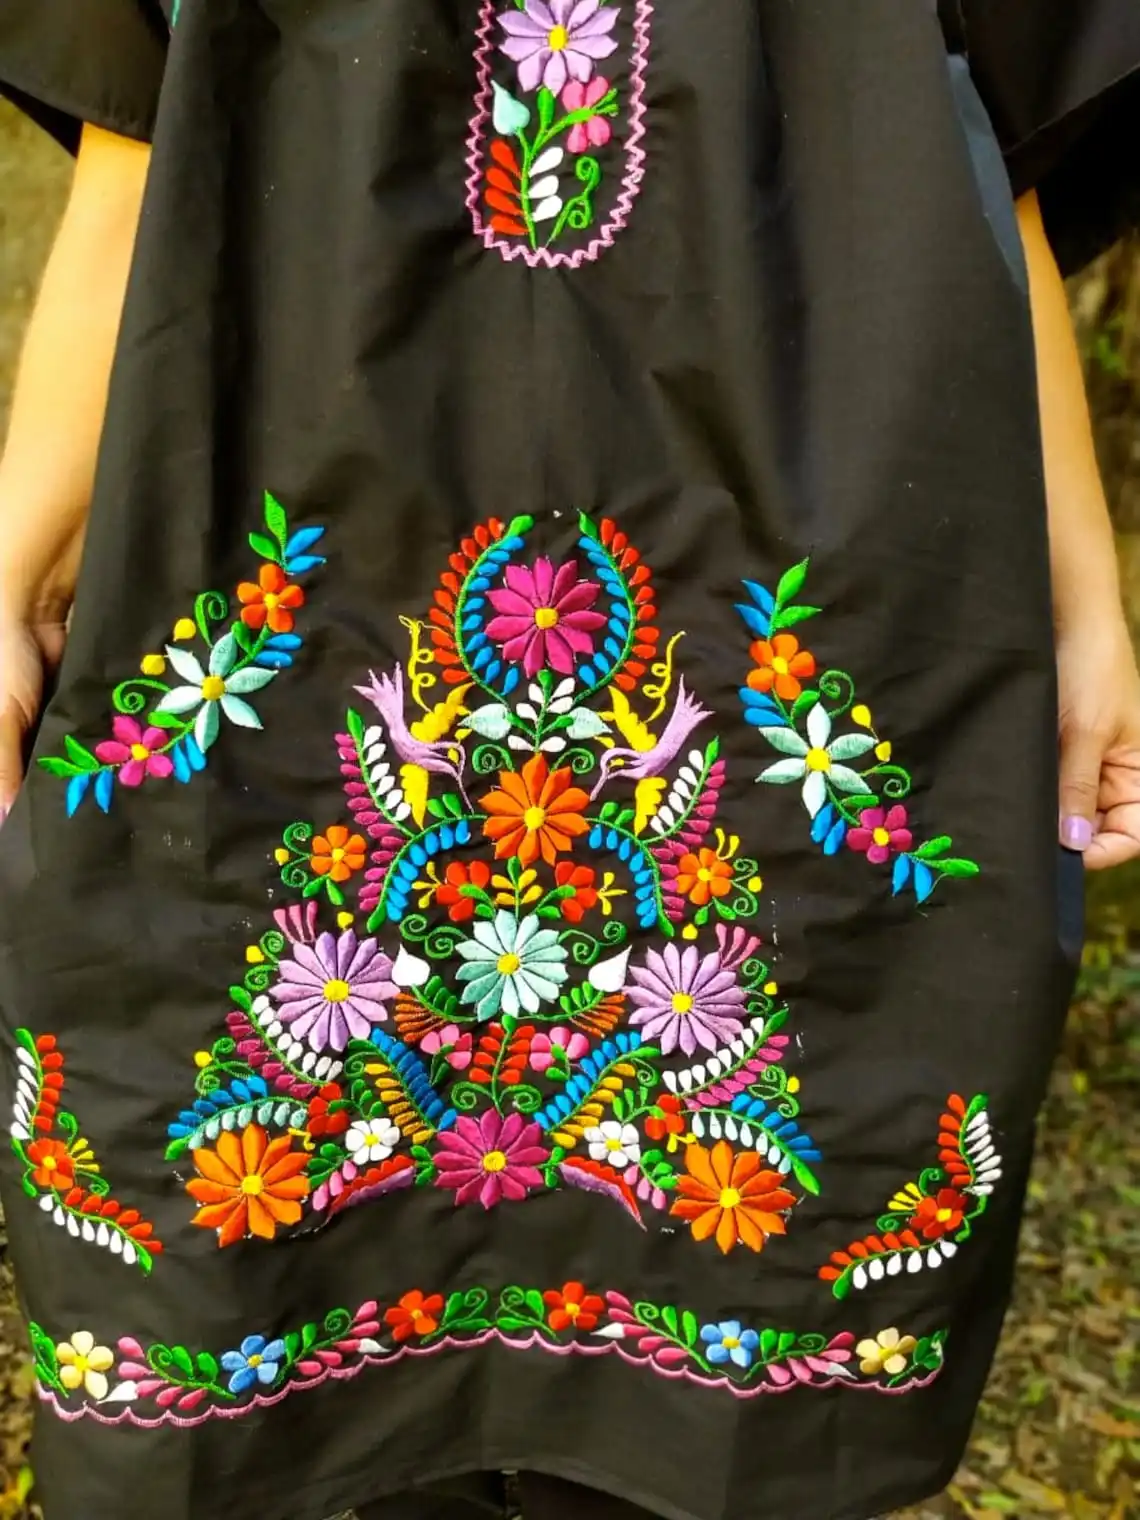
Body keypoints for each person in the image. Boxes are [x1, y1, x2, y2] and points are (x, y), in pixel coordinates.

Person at [0, 3, 1138, 1518]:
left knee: (733, 1375)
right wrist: (10, 571)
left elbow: (998, 164)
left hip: (815, 570)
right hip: (294, 541)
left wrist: (1083, 602)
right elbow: (142, 135)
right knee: (285, 1320)